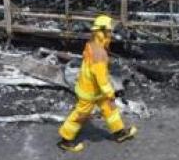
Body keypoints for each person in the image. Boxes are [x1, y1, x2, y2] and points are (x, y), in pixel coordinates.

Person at [57, 15, 137, 152]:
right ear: (102, 33)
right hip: (90, 91)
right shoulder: (99, 53)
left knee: (109, 109)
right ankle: (65, 140)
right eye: (109, 32)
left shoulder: (92, 44)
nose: (111, 35)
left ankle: (119, 133)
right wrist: (110, 92)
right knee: (80, 115)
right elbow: (101, 78)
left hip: (94, 88)